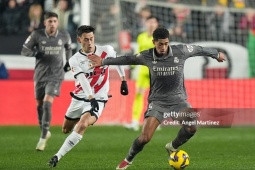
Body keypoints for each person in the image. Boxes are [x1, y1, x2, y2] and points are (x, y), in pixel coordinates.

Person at [88, 27, 226, 170]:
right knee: (145, 138)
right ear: (154, 42)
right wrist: (104, 61)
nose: (163, 47)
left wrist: (216, 54)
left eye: (166, 43)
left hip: (178, 101)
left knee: (192, 127)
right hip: (157, 102)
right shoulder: (146, 56)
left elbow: (198, 49)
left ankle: (172, 146)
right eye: (160, 44)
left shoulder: (181, 51)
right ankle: (127, 160)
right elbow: (128, 58)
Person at [47, 25, 128, 168]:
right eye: (86, 40)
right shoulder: (75, 60)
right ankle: (79, 126)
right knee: (65, 130)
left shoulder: (106, 51)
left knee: (83, 124)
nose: (89, 43)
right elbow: (83, 80)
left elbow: (117, 60)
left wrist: (123, 80)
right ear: (79, 40)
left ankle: (57, 156)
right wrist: (90, 96)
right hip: (79, 97)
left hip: (99, 98)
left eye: (91, 39)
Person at [21, 11, 72, 151]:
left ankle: (43, 138)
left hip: (56, 75)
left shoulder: (64, 35)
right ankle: (44, 130)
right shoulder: (37, 35)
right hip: (40, 75)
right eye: (50, 21)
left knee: (47, 103)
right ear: (45, 23)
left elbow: (69, 48)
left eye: (55, 21)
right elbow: (24, 51)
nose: (53, 24)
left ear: (58, 23)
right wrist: (34, 53)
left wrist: (69, 62)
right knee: (39, 105)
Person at [125, 15, 159, 131]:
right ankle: (135, 121)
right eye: (149, 21)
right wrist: (133, 67)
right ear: (146, 23)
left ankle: (155, 121)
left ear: (157, 24)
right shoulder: (141, 37)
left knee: (155, 97)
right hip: (143, 70)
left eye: (153, 22)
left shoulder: (159, 38)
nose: (151, 24)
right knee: (138, 94)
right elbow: (138, 53)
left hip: (156, 71)